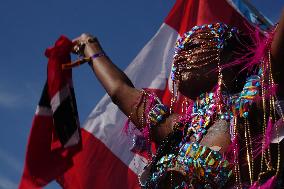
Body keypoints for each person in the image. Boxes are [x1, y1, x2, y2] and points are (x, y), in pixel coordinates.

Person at [72, 12, 284, 189]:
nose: (181, 57)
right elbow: (120, 90)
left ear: (229, 58)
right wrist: (89, 45)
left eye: (194, 47)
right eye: (179, 51)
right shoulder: (178, 129)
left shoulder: (254, 102)